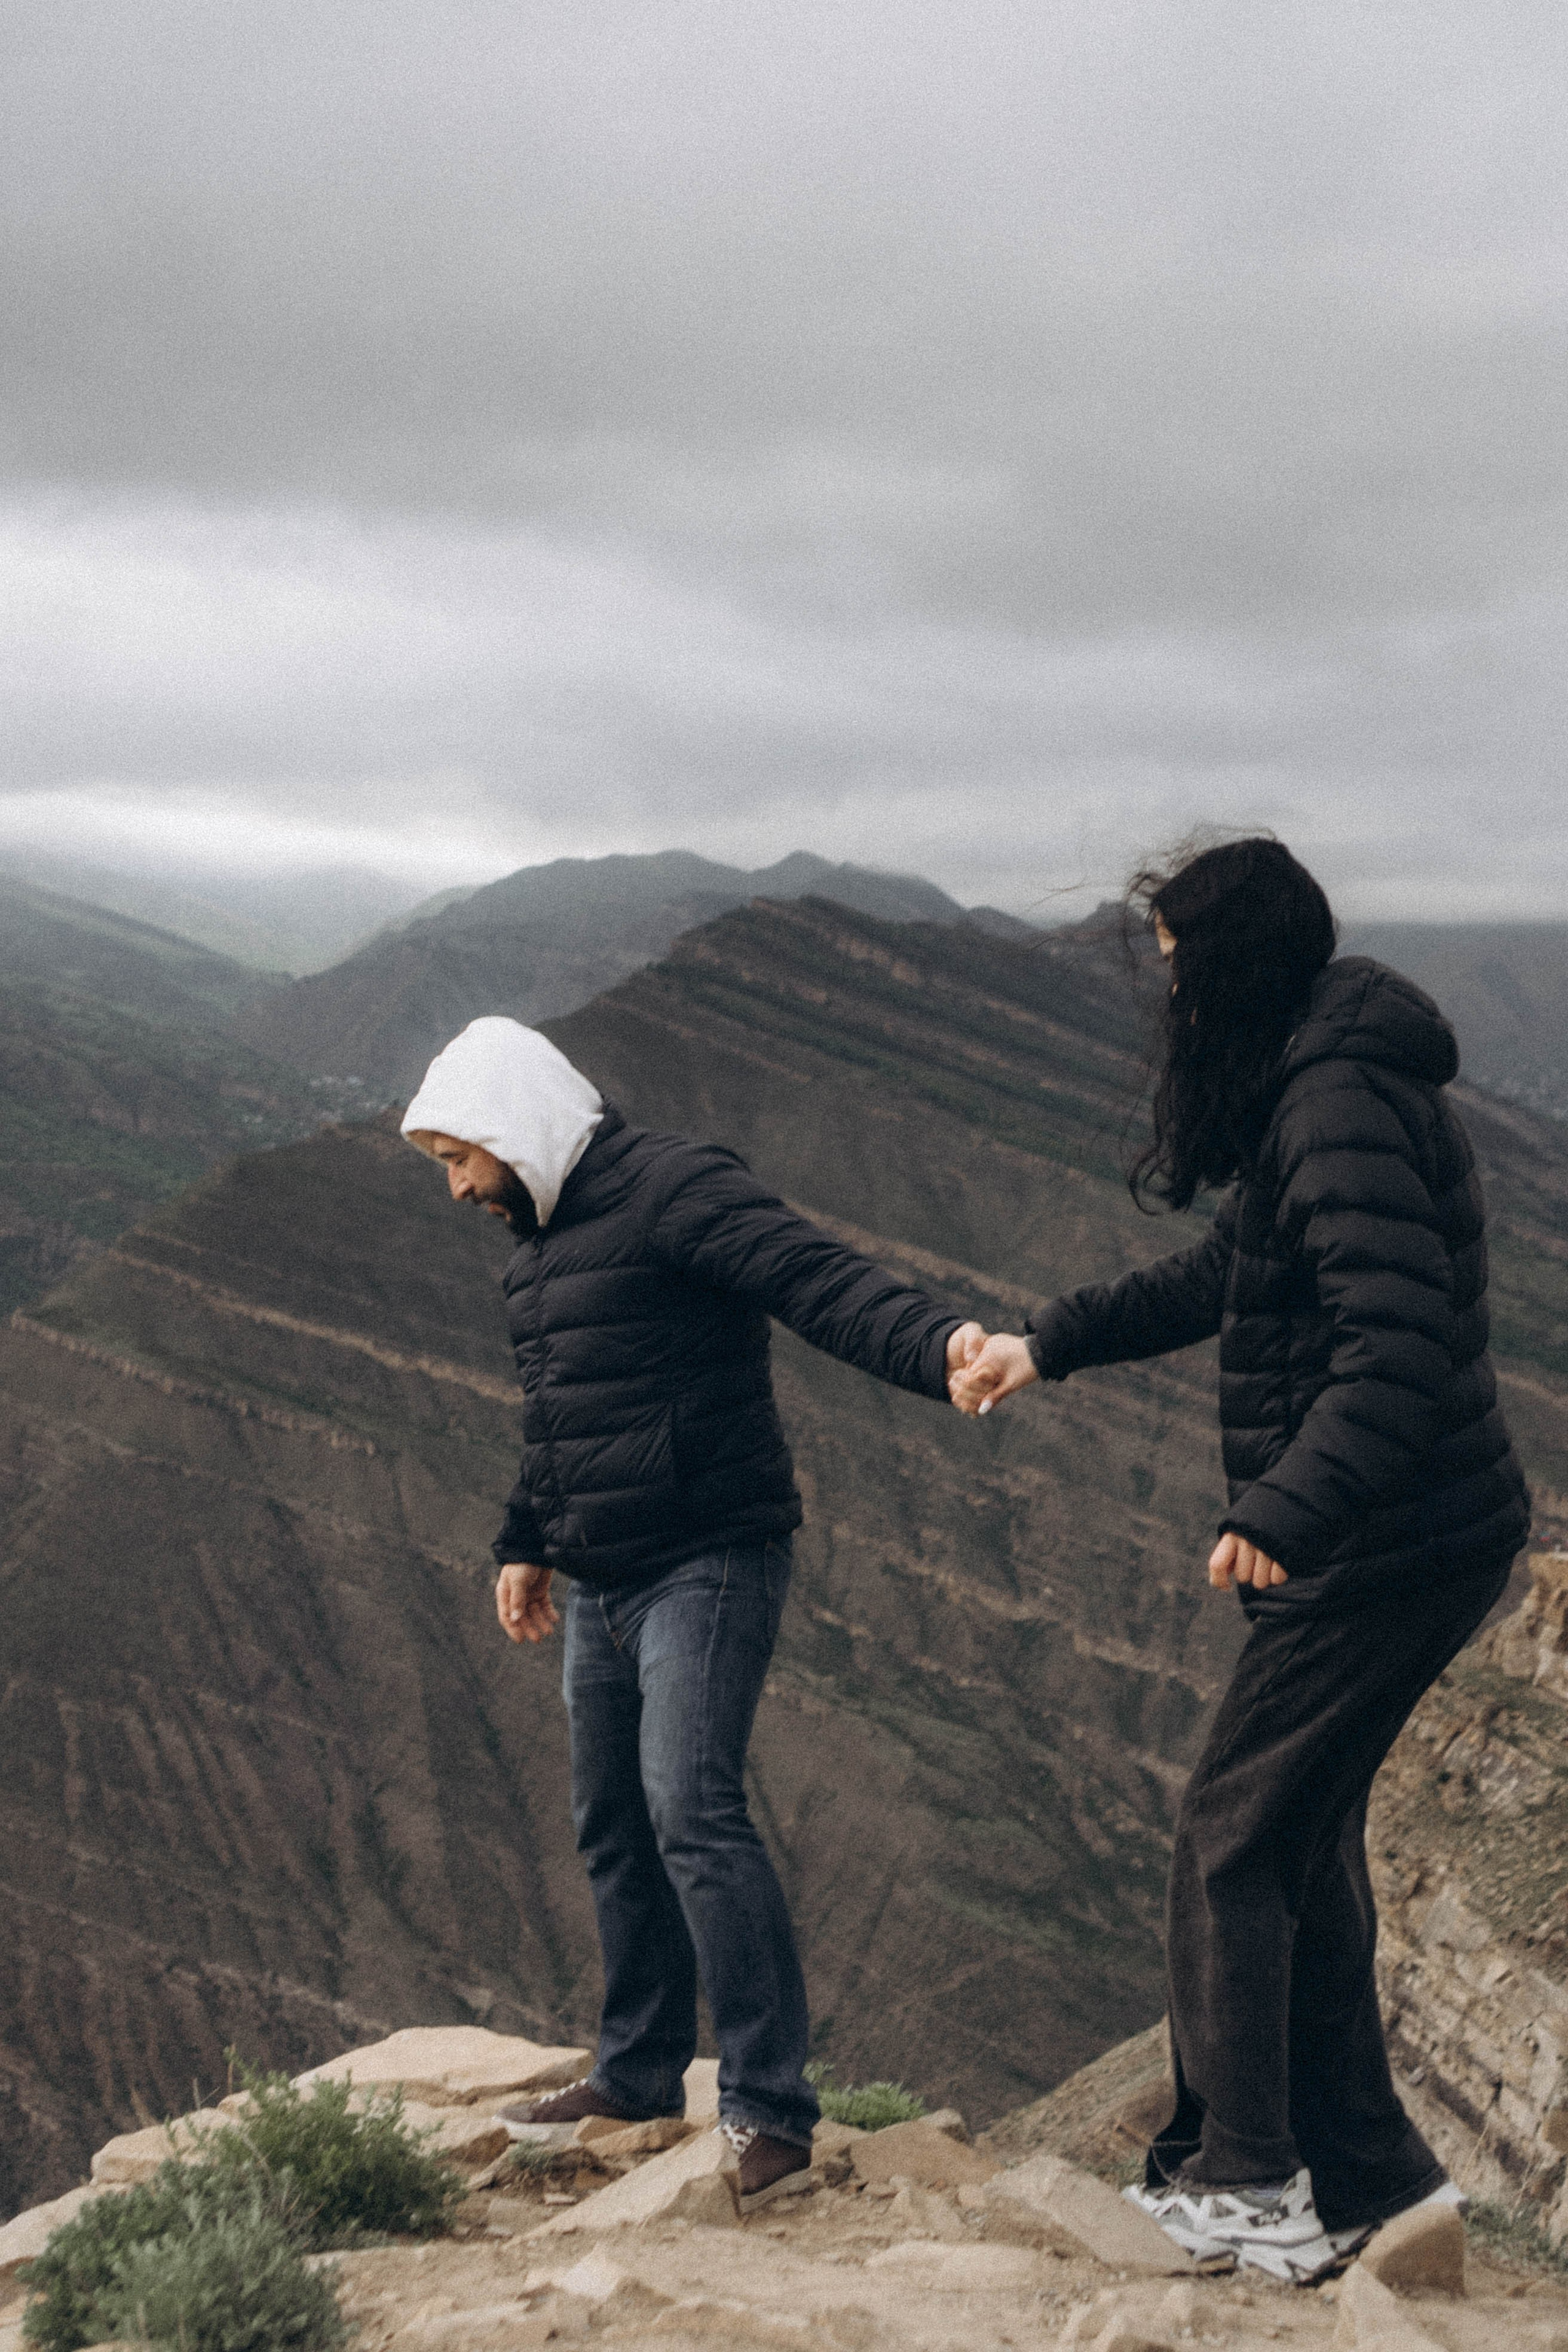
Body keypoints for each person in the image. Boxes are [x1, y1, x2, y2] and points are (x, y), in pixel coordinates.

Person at [952, 837, 1530, 2281]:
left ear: (1234, 964)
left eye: (1175, 967)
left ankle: (1248, 2183)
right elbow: (1238, 1274)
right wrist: (1049, 1341)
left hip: (1383, 1540)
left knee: (1230, 1842)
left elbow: (1393, 1347)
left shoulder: (1331, 1093)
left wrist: (1281, 1509)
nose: (1168, 997)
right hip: (1407, 1529)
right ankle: (1377, 2184)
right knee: (1295, 1842)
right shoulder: (1320, 1074)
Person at [401, 1016, 984, 2212]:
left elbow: (811, 1276)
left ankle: (768, 2108)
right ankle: (636, 2075)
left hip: (706, 1564)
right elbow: (565, 1417)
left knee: (693, 1811)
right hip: (602, 1580)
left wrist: (936, 1348)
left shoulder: (672, 1187)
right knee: (613, 1823)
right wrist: (526, 1541)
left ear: (517, 1128)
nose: (457, 1188)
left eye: (462, 1157)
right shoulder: (538, 1250)